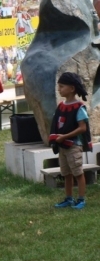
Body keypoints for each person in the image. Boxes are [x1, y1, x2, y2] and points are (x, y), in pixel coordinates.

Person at [49, 72, 92, 210]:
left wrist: (65, 136)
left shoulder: (79, 107)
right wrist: (56, 138)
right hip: (63, 146)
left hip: (73, 146)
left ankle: (81, 199)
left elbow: (82, 128)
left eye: (62, 86)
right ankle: (68, 198)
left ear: (72, 88)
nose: (59, 89)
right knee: (66, 173)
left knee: (78, 173)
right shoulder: (61, 106)